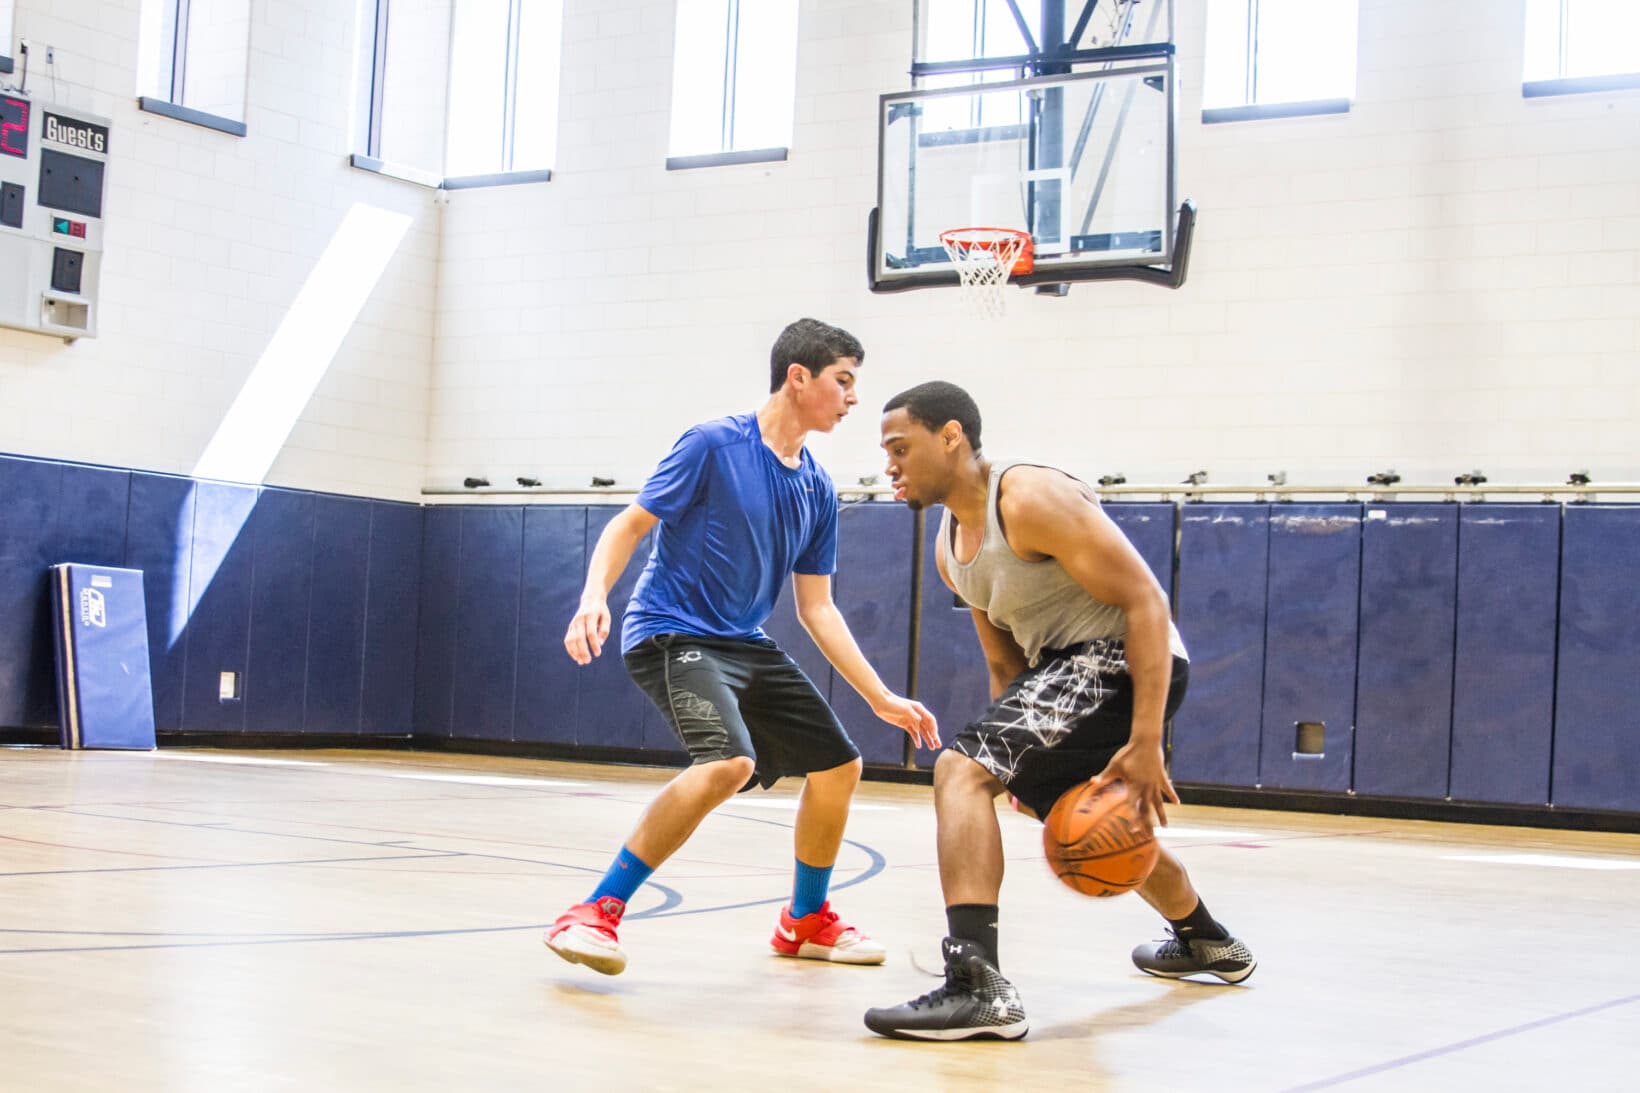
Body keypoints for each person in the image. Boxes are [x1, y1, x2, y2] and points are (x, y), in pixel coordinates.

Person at [863, 380, 1255, 1041]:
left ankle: (976, 984)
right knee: (1085, 814)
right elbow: (1005, 668)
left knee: (957, 770)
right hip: (1062, 676)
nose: (890, 465)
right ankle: (1206, 939)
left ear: (951, 435)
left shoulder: (1028, 497)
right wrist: (1017, 767)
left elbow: (1147, 603)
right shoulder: (949, 549)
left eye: (901, 447)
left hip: (1124, 661)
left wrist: (1146, 738)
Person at [546, 318, 940, 976]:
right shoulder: (712, 445)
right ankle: (594, 911)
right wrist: (593, 595)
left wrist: (881, 696)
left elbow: (818, 607)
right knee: (728, 761)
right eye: (843, 380)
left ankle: (805, 921)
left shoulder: (815, 487)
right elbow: (631, 522)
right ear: (798, 377)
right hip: (671, 631)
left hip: (740, 643)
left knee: (839, 765)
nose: (852, 398)